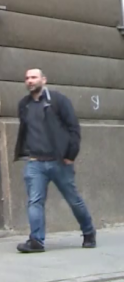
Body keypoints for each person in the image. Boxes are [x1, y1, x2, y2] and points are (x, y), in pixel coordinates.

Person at [14, 68, 96, 253]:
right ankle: (36, 241)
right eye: (27, 78)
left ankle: (89, 232)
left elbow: (73, 128)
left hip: (59, 161)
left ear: (43, 80)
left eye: (34, 77)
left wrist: (70, 155)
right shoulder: (24, 105)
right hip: (35, 161)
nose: (30, 81)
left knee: (73, 200)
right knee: (34, 201)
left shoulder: (58, 101)